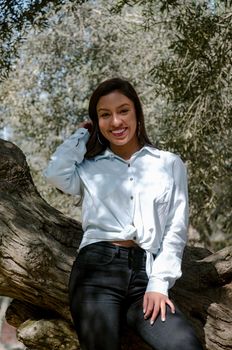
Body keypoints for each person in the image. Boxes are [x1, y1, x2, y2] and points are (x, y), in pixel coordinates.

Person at [44, 77, 203, 350]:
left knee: (185, 344)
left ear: (137, 113)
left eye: (123, 111)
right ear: (97, 121)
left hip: (146, 273)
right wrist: (84, 133)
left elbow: (175, 230)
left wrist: (159, 284)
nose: (116, 122)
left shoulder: (169, 164)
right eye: (105, 115)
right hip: (96, 271)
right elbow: (55, 173)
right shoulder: (89, 167)